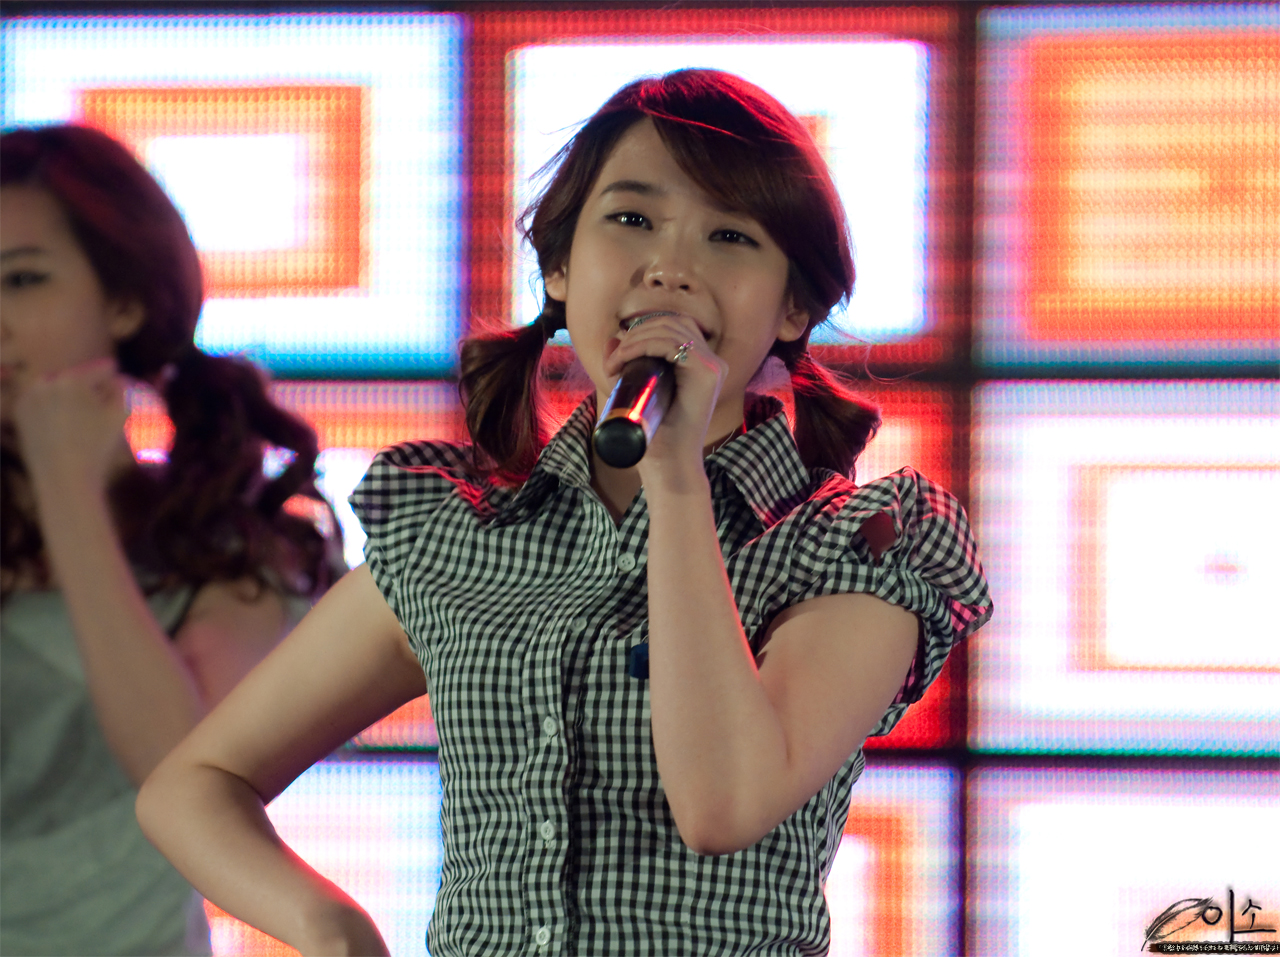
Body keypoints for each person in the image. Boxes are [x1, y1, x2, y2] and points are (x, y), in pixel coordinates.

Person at [138, 70, 992, 956]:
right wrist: (334, 928)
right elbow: (195, 782)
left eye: (731, 234)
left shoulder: (856, 546)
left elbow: (724, 802)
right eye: (632, 219)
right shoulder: (457, 534)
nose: (672, 265)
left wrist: (675, 483)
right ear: (559, 266)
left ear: (793, 306)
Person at [0, 124, 341, 955]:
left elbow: (183, 787)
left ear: (125, 302)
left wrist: (67, 490)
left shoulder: (231, 553)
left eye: (21, 279)